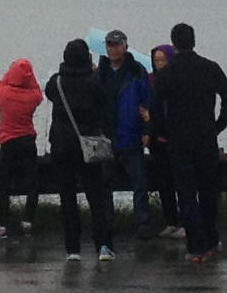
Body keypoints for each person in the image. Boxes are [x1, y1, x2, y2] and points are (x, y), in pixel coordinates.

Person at [150, 25, 227, 261]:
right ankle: (210, 240)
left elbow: (156, 108)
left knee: (187, 195)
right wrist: (218, 126)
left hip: (179, 141)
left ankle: (196, 247)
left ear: (174, 44)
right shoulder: (210, 68)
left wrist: (162, 132)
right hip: (206, 139)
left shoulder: (167, 73)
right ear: (194, 41)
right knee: (208, 191)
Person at [45, 39, 118, 261]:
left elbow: (49, 95)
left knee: (67, 196)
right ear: (87, 57)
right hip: (90, 145)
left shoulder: (55, 83)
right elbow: (107, 105)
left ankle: (73, 249)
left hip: (62, 145)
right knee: (96, 195)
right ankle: (103, 245)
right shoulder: (94, 81)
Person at [100, 30, 154, 235]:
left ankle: (142, 223)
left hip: (132, 136)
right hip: (107, 138)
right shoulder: (100, 74)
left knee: (140, 184)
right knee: (104, 185)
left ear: (125, 46)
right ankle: (106, 222)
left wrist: (147, 130)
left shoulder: (138, 72)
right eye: (109, 45)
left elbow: (148, 103)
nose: (113, 48)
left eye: (116, 44)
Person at [0, 58, 42, 240]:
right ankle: (28, 220)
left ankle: (1, 224)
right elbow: (37, 91)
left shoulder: (2, 93)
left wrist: (10, 72)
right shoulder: (33, 97)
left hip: (8, 142)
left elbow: (0, 84)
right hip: (27, 140)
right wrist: (28, 77)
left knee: (3, 184)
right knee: (32, 182)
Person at [145, 43, 184, 238]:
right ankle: (170, 221)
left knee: (181, 180)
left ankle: (185, 221)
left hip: (176, 137)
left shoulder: (178, 80)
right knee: (164, 182)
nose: (159, 64)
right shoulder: (150, 80)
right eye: (156, 60)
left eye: (162, 60)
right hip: (157, 139)